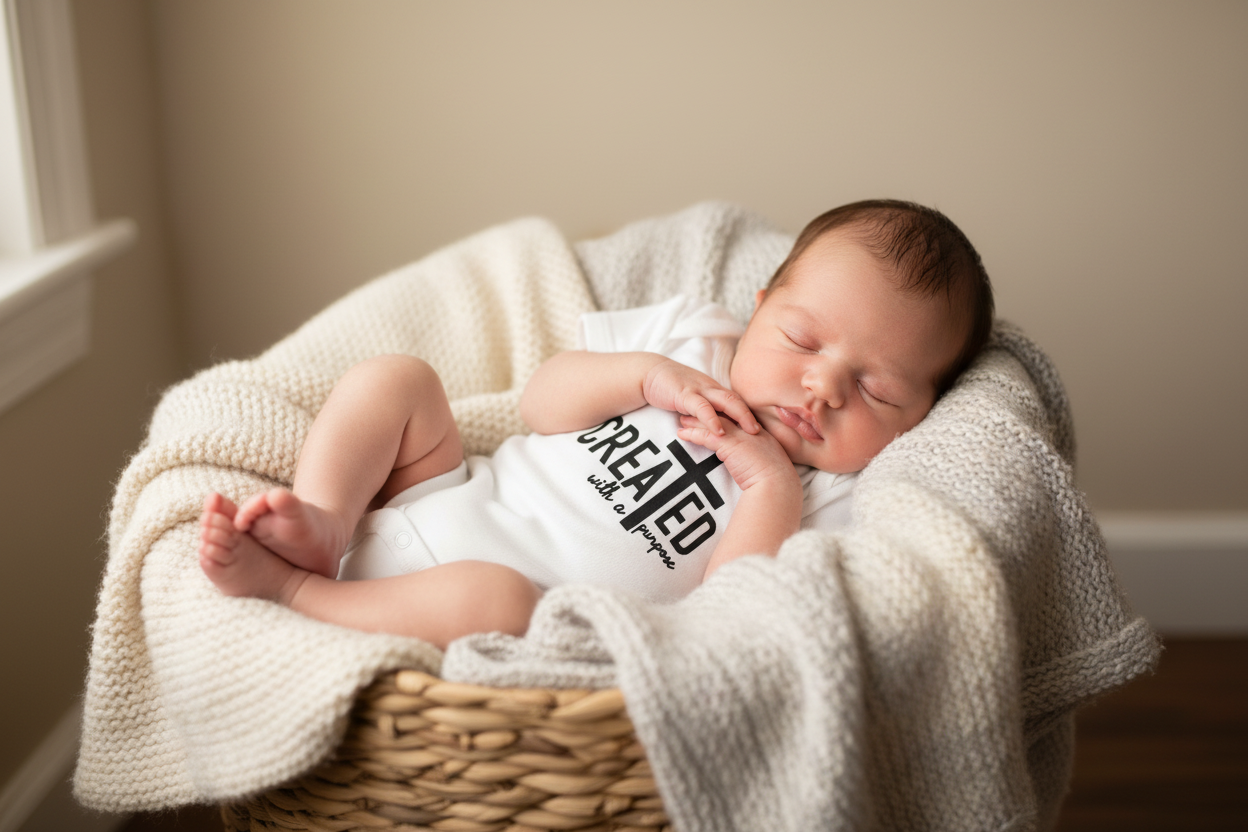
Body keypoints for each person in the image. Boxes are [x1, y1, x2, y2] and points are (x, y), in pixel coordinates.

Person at [198, 200, 994, 648]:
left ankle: (295, 590)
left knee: (498, 598)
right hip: (436, 494)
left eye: (878, 392)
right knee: (397, 381)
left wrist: (768, 486)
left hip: (501, 610)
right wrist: (648, 375)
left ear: (920, 418)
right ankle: (324, 522)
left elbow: (732, 612)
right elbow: (542, 404)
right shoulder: (696, 342)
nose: (822, 386)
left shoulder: (834, 497)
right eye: (802, 340)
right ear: (756, 313)